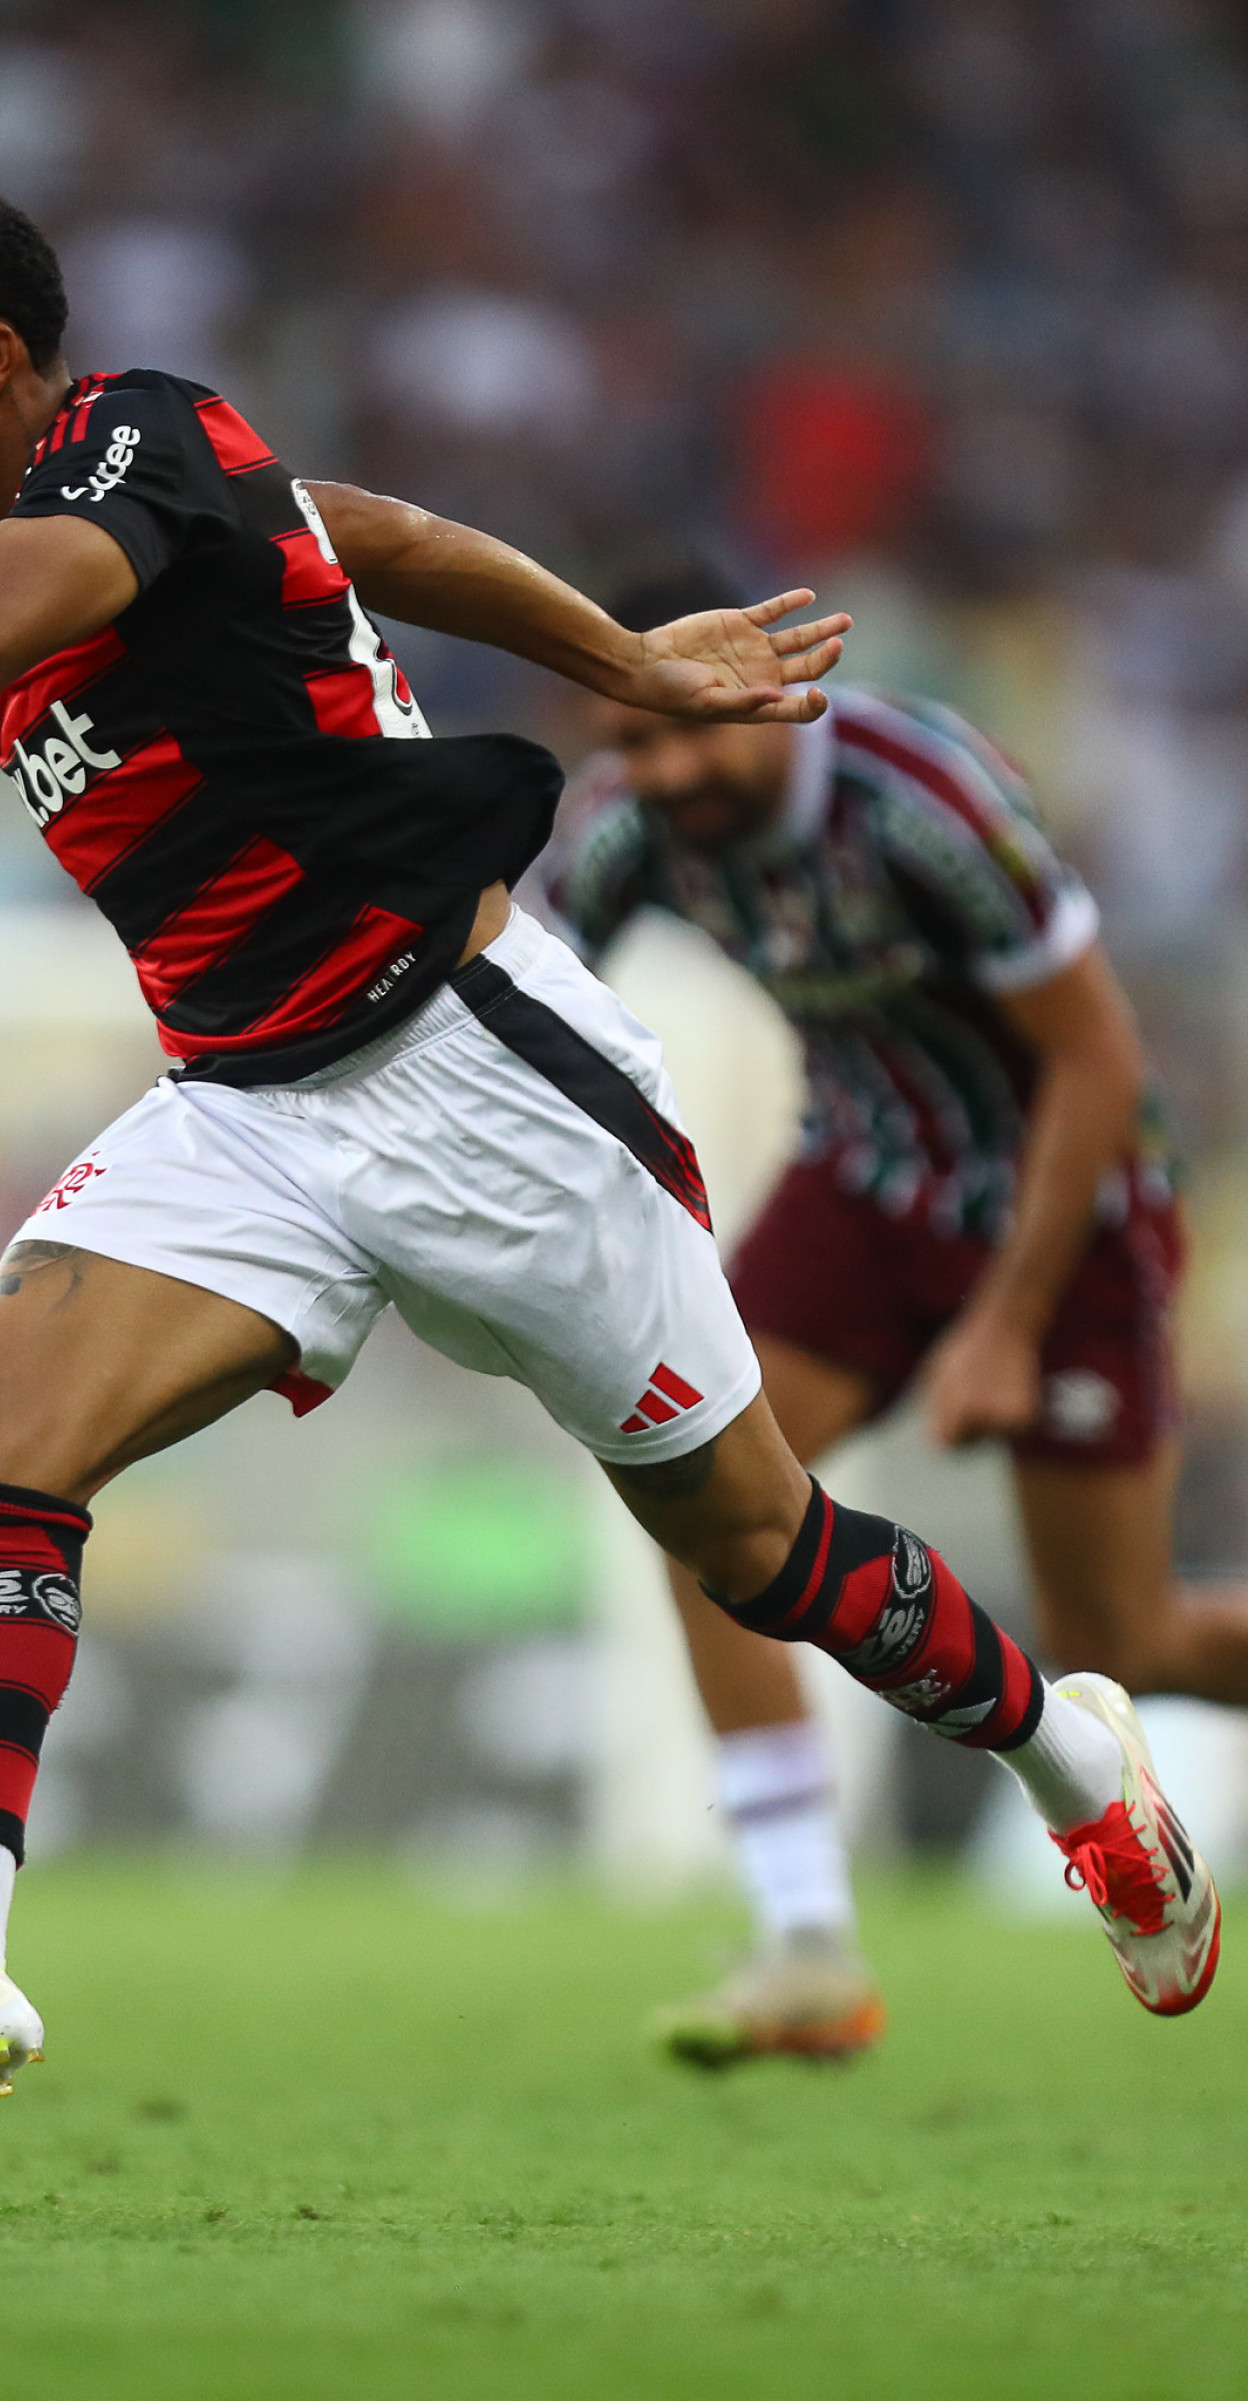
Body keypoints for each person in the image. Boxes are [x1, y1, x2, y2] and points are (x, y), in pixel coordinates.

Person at [0, 186, 1218, 2109]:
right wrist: (624, 657)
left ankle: (1076, 1764)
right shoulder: (97, 525)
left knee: (760, 1549)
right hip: (249, 1105)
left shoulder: (134, 446)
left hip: (478, 1075)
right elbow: (385, 538)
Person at [552, 560, 1244, 2069]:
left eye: (684, 732)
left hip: (1069, 1204)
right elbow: (524, 1016)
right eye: (631, 739)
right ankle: (806, 1942)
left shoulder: (919, 798)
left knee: (1120, 1636)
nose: (661, 772)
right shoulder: (626, 834)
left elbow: (1097, 1059)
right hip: (863, 1187)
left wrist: (1006, 1320)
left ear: (764, 685)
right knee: (700, 1497)